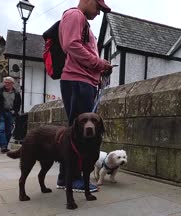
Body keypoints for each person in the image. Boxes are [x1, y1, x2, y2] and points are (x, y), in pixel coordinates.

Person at [56, 0, 113, 192]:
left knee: (78, 131)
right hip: (78, 80)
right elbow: (71, 45)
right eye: (98, 8)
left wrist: (99, 66)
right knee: (76, 132)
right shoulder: (75, 15)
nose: (98, 13)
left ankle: (69, 177)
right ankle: (69, 178)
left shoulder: (82, 21)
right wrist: (99, 64)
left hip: (84, 81)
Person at [0, 76, 21, 153]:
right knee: (1, 129)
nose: (6, 84)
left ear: (12, 84)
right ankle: (3, 146)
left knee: (9, 130)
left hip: (10, 113)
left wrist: (15, 111)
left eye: (8, 83)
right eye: (5, 82)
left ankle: (5, 145)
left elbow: (18, 104)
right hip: (0, 112)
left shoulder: (16, 93)